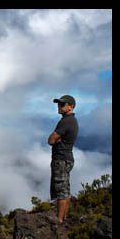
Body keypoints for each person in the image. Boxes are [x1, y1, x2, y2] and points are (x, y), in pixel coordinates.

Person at [48, 95, 79, 225]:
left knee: (61, 191)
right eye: (59, 104)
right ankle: (64, 218)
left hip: (61, 159)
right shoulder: (71, 120)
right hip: (67, 159)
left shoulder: (66, 122)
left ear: (70, 106)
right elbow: (55, 139)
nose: (59, 106)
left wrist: (56, 139)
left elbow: (50, 140)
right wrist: (57, 139)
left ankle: (59, 220)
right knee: (65, 190)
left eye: (62, 104)